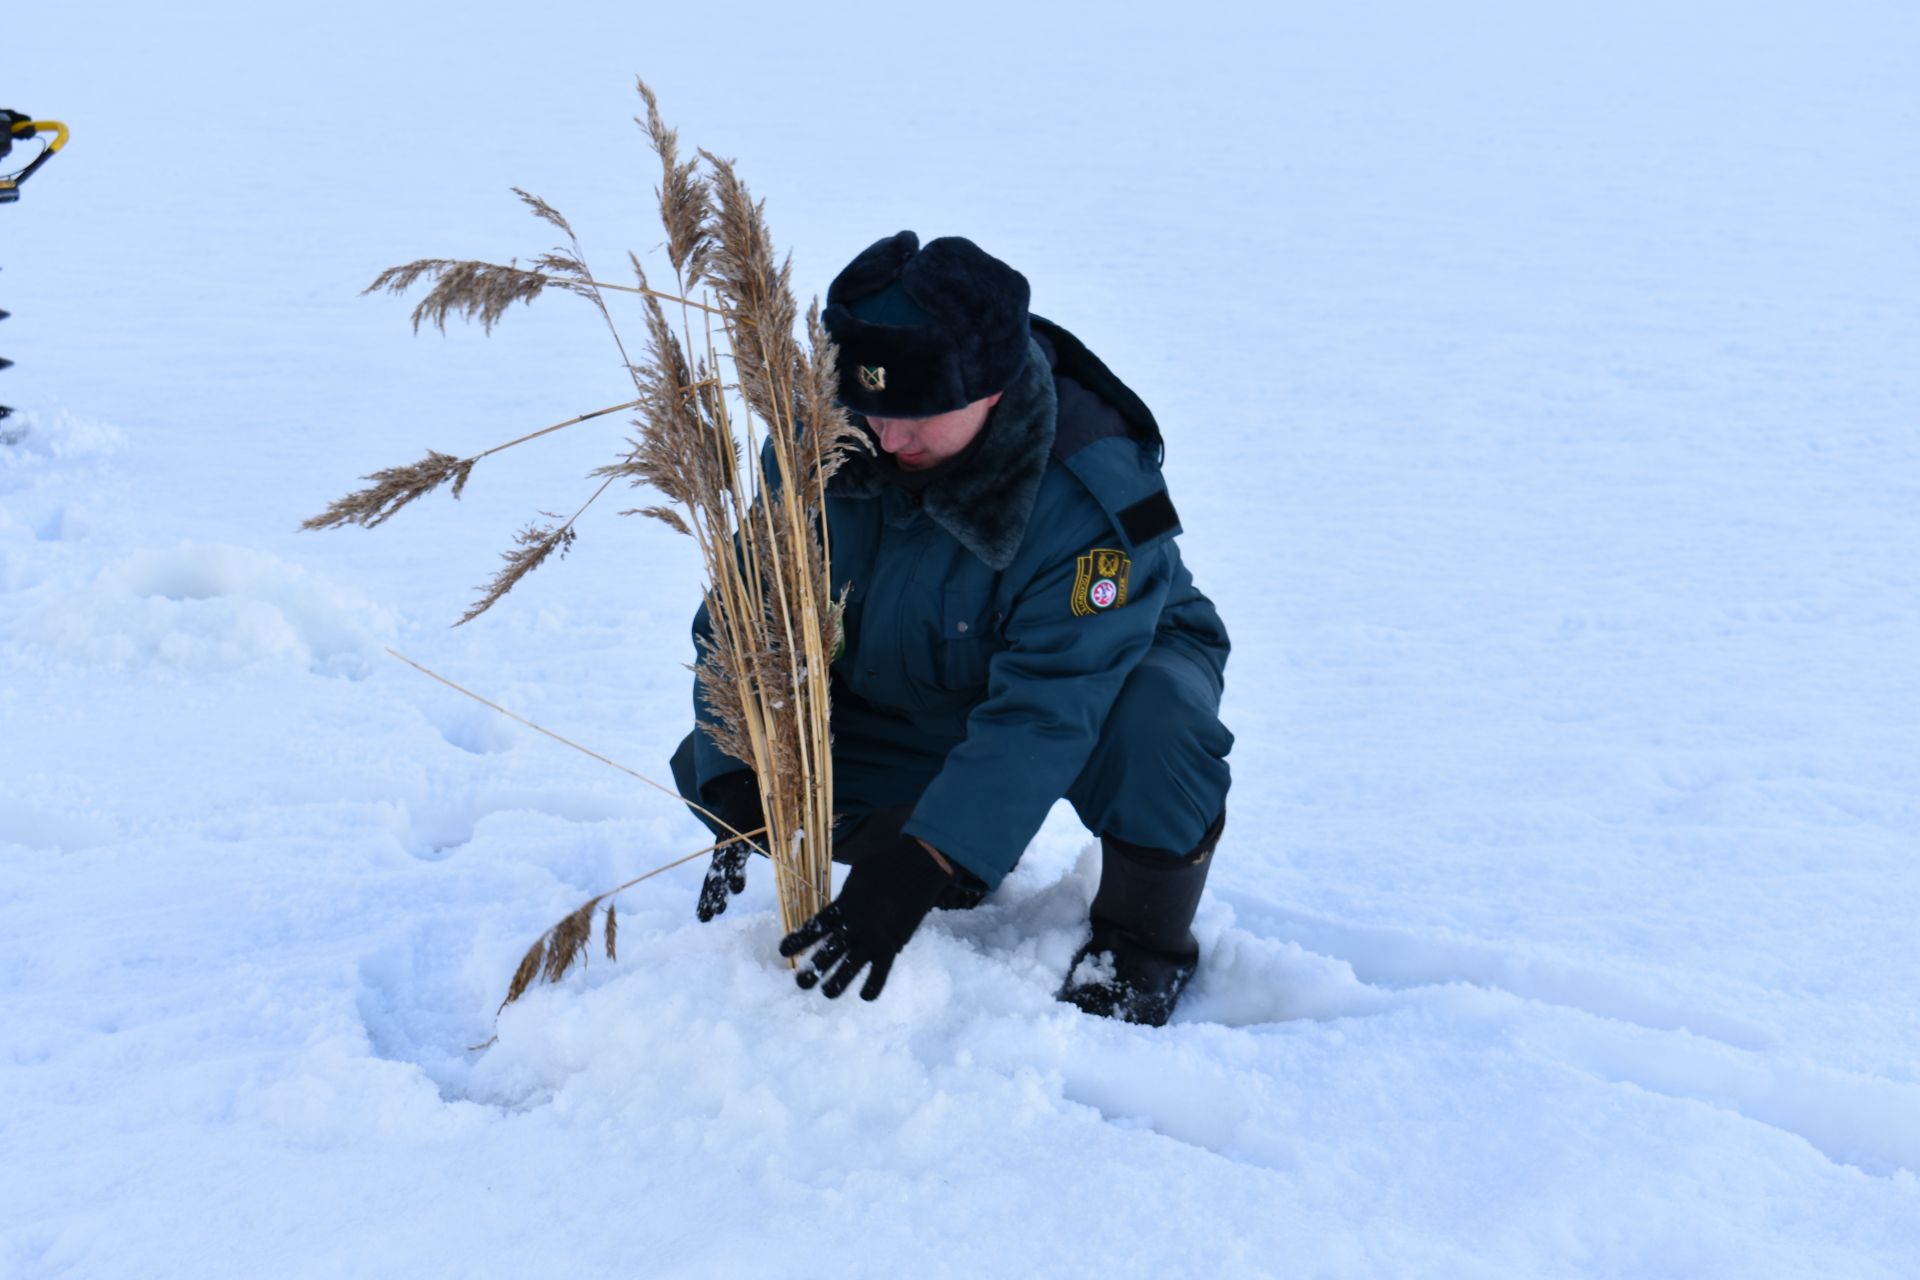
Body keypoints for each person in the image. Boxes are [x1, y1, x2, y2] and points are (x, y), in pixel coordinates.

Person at [669, 232, 1232, 1026]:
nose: (888, 438)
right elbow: (746, 614)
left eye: (917, 414)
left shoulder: (1089, 491)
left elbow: (1050, 703)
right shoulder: (825, 438)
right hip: (911, 684)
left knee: (1157, 724)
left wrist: (927, 854)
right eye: (870, 405)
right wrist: (738, 767)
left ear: (994, 390)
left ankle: (1140, 943)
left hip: (1098, 674)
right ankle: (954, 855)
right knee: (753, 769)